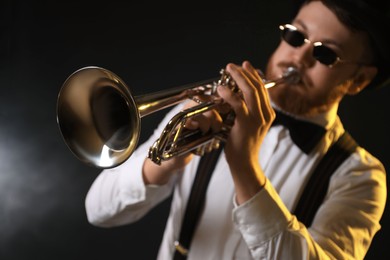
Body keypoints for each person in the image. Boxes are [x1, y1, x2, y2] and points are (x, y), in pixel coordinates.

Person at [84, 0, 388, 259]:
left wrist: (243, 164)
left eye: (325, 54)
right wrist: (165, 162)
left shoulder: (362, 178)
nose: (298, 58)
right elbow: (98, 210)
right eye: (296, 36)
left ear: (359, 80)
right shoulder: (207, 110)